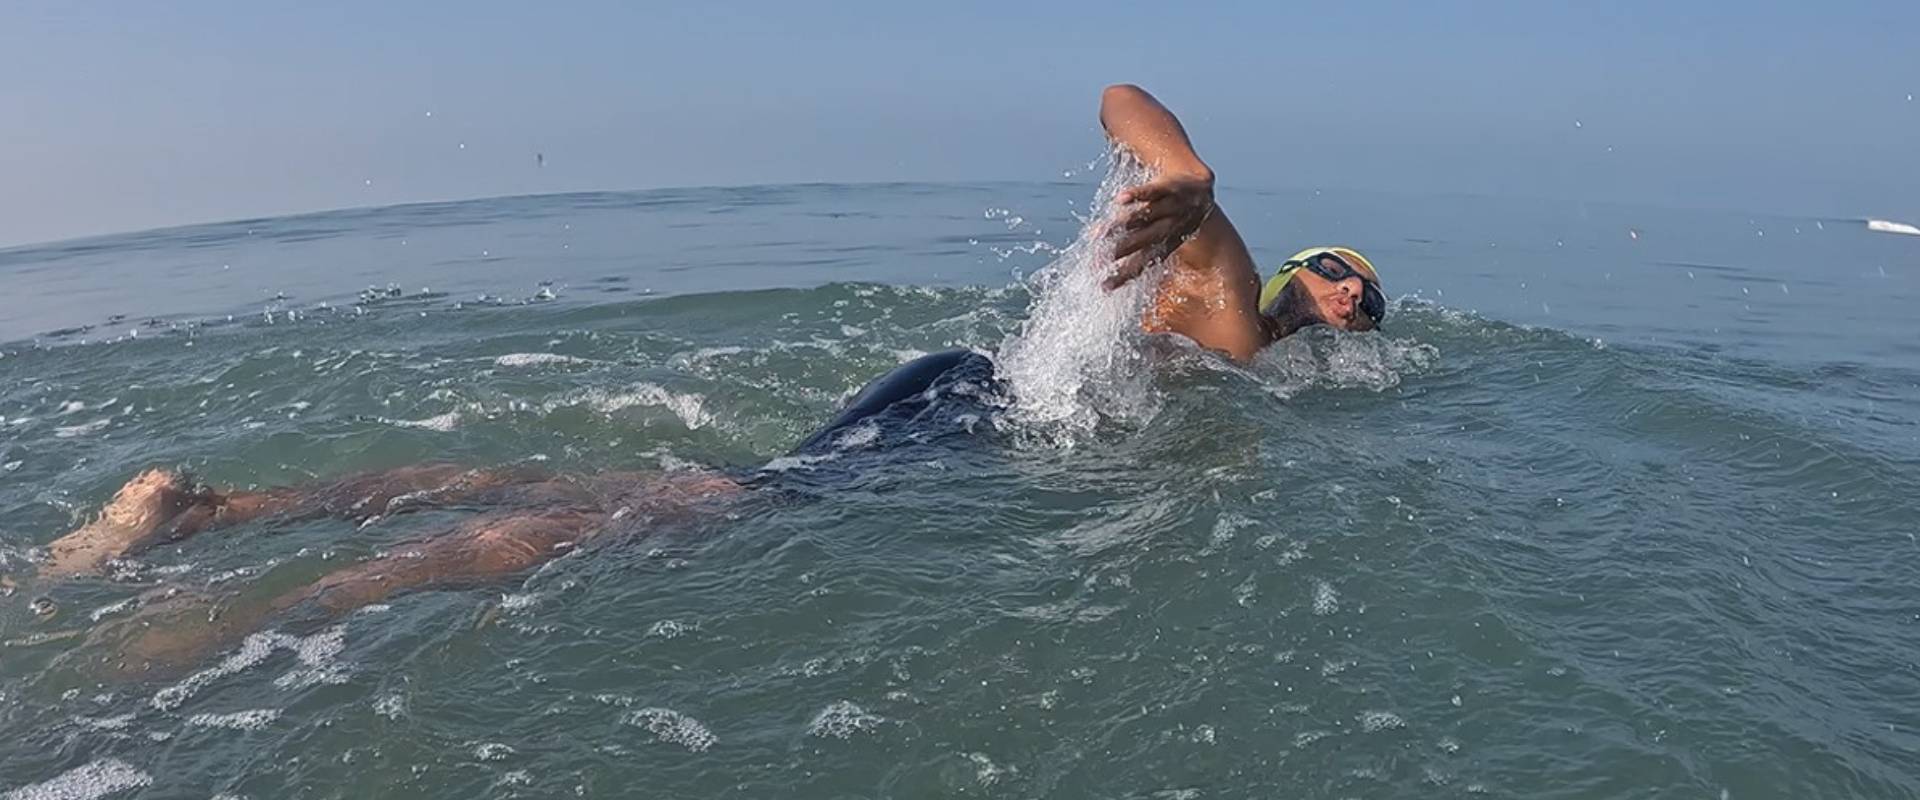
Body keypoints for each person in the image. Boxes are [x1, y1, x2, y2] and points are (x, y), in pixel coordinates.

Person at [28, 86, 1384, 674]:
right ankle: (212, 633)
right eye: (1333, 270)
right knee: (699, 508)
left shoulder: (1271, 365)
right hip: (970, 415)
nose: (1343, 294)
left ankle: (219, 516)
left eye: (1365, 300)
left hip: (961, 394)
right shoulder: (1233, 323)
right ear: (1289, 276)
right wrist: (1190, 175)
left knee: (626, 488)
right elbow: (1126, 101)